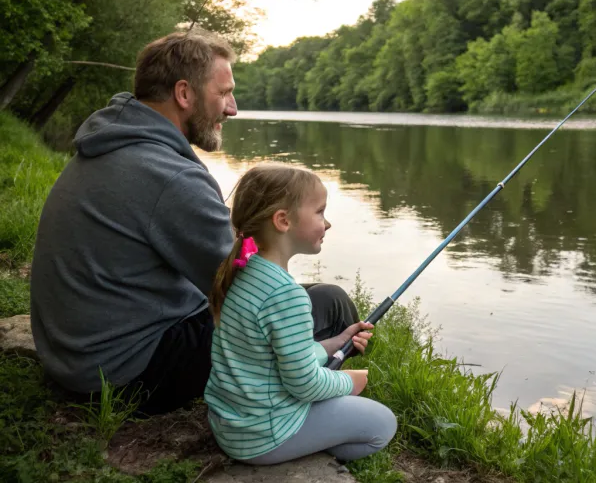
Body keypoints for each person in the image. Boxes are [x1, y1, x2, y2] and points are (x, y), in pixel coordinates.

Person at [29, 28, 361, 415]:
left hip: (74, 358)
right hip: (124, 376)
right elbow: (247, 287)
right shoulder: (169, 175)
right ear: (184, 94)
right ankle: (302, 400)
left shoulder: (114, 142)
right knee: (329, 304)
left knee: (302, 301)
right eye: (222, 93)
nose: (232, 108)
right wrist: (265, 242)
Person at [204, 164, 397, 465]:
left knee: (343, 403)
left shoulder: (244, 272)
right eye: (320, 212)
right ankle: (305, 446)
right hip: (262, 436)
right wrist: (351, 381)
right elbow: (304, 385)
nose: (328, 223)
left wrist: (337, 341)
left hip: (232, 425)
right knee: (383, 424)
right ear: (283, 220)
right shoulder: (286, 295)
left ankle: (311, 436)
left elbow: (276, 357)